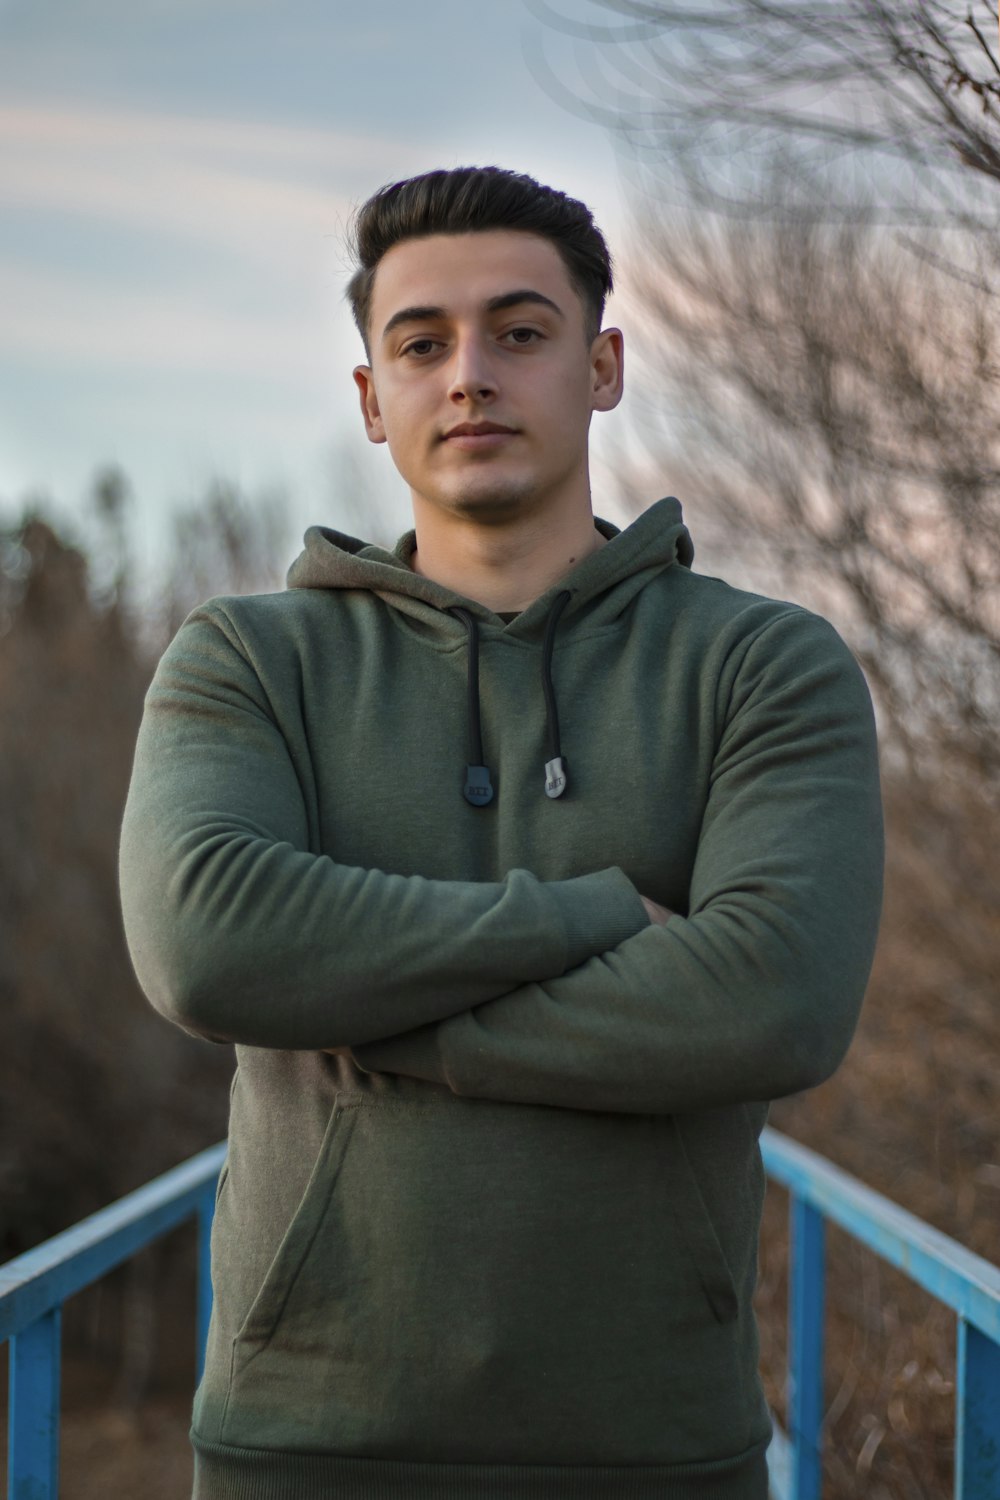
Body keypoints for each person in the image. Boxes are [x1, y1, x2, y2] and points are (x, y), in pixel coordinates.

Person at [119, 165, 884, 1500]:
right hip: (302, 1451)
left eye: (519, 333)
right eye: (422, 343)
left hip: (658, 1452)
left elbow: (775, 1002)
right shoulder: (245, 658)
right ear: (372, 397)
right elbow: (208, 943)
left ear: (601, 367)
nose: (468, 373)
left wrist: (363, 1012)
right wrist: (589, 915)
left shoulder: (765, 666)